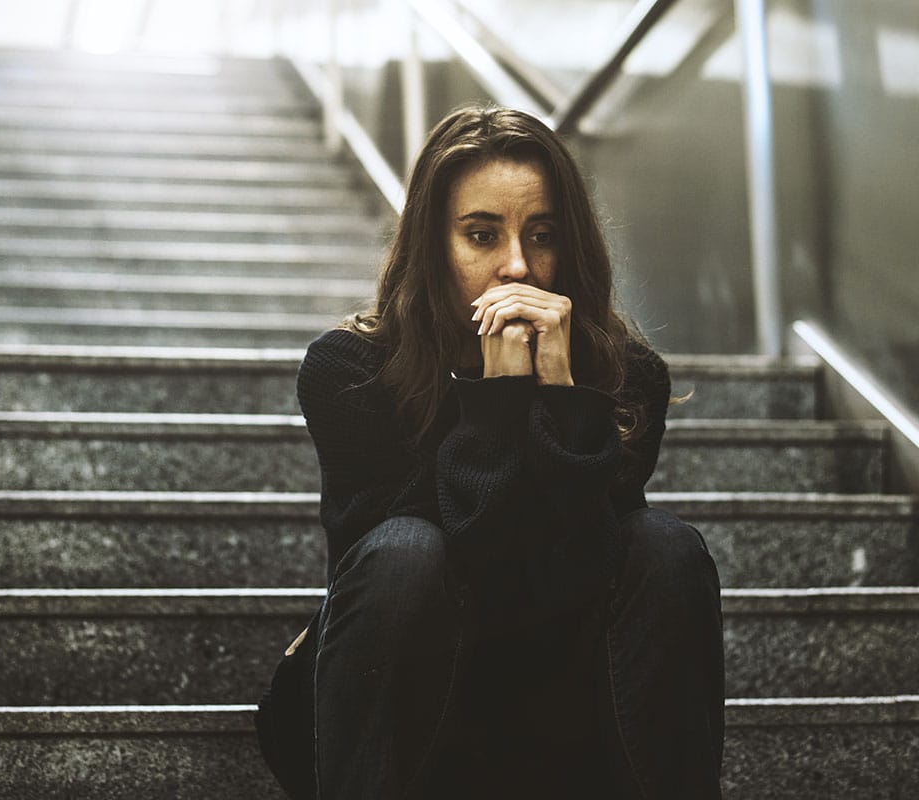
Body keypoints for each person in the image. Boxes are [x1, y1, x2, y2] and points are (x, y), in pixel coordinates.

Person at [255, 104, 725, 799]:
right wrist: (500, 395)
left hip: (565, 716)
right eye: (482, 235)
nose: (518, 267)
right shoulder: (349, 370)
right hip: (415, 717)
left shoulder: (627, 379)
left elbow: (578, 564)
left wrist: (565, 399)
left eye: (543, 235)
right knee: (406, 550)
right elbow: (432, 561)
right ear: (432, 245)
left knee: (666, 546)